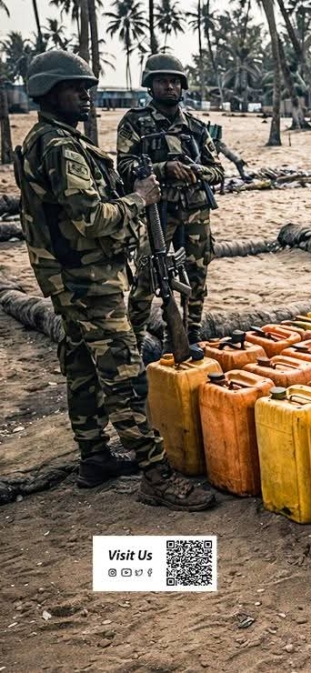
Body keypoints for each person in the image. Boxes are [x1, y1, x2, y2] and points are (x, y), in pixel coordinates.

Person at [14, 50, 215, 511]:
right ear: (48, 93)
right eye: (75, 88)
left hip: (71, 277)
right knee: (124, 375)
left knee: (82, 367)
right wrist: (139, 198)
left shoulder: (53, 140)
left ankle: (94, 458)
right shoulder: (61, 147)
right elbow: (92, 218)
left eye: (87, 87)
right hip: (88, 280)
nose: (86, 96)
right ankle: (156, 476)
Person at [117, 53, 224, 348]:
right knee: (146, 278)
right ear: (150, 86)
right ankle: (134, 342)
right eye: (162, 81)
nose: (169, 87)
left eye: (175, 81)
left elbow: (217, 171)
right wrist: (163, 168)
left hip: (195, 213)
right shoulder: (135, 122)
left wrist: (196, 171)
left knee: (196, 277)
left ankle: (189, 335)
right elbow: (124, 167)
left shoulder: (196, 127)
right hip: (156, 212)